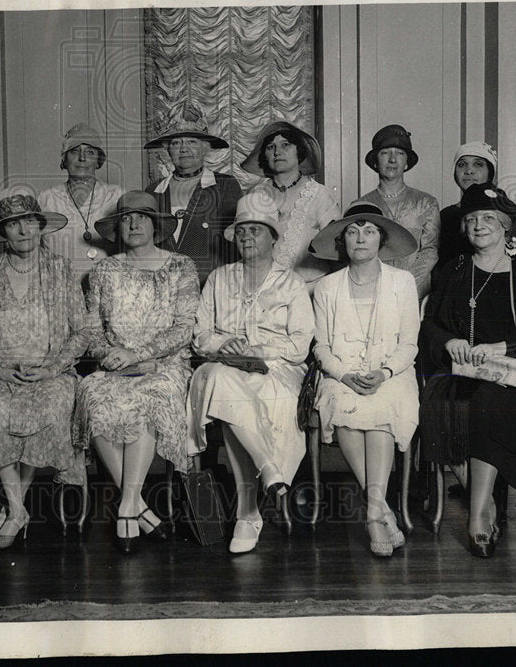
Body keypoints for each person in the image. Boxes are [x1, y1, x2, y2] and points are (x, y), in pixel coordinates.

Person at [420, 184, 516, 558]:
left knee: (488, 400)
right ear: (464, 228)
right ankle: (485, 501)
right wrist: (449, 342)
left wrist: (499, 348)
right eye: (471, 219)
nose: (479, 225)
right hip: (461, 372)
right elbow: (430, 325)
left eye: (488, 218)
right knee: (442, 401)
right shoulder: (454, 270)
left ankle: (480, 512)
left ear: (505, 226)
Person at [73, 191, 200, 553]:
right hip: (114, 364)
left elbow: (184, 327)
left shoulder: (181, 267)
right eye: (126, 219)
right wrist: (110, 354)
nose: (133, 224)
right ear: (117, 228)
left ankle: (128, 504)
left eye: (142, 218)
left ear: (156, 225)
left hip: (164, 364)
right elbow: (92, 330)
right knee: (93, 396)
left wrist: (139, 354)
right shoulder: (103, 270)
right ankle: (137, 505)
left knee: (147, 400)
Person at [187, 192, 313, 554]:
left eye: (256, 231)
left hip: (277, 370)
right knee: (224, 380)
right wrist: (222, 344)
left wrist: (261, 350)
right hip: (223, 367)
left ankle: (248, 512)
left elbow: (300, 345)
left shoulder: (291, 284)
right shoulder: (219, 278)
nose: (246, 237)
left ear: (273, 238)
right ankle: (267, 473)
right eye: (242, 231)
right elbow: (200, 335)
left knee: (233, 401)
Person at [0, 193, 89, 550]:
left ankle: (13, 506)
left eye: (29, 222)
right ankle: (18, 508)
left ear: (40, 226)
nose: (22, 230)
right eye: (13, 224)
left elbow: (82, 332)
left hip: (51, 372)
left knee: (48, 405)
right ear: (3, 232)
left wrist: (52, 367)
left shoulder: (60, 269)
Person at [309, 201, 421, 557]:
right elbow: (321, 346)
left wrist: (384, 372)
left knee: (383, 409)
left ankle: (374, 511)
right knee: (342, 405)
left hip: (392, 373)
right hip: (341, 374)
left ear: (382, 241)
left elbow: (409, 343)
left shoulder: (402, 282)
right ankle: (379, 511)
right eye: (352, 232)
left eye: (369, 230)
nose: (360, 238)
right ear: (342, 242)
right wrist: (343, 374)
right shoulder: (326, 287)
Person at [143, 104, 242, 285]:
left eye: (192, 142)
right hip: (163, 289)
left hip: (212, 287)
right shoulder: (153, 191)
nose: (183, 148)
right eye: (176, 143)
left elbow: (236, 244)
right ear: (167, 149)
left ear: (205, 148)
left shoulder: (225, 186)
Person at [240, 119, 341, 290]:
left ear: (299, 152)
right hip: (263, 294)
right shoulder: (256, 195)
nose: (277, 152)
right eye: (270, 147)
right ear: (265, 155)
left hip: (309, 291)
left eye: (285, 145)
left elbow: (338, 254)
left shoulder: (320, 195)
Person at [38, 123, 123, 288]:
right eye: (75, 151)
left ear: (99, 160)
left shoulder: (115, 196)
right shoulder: (46, 199)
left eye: (90, 152)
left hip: (108, 289)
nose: (82, 158)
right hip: (59, 290)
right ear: (64, 158)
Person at [359, 124, 439, 300]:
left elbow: (430, 251)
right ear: (375, 161)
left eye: (400, 153)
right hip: (372, 293)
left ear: (407, 162)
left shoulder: (426, 202)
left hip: (414, 295)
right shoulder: (361, 205)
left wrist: (405, 287)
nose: (393, 160)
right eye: (386, 153)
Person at [437, 142, 516, 267]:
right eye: (462, 165)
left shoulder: (506, 210)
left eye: (478, 164)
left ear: (490, 171)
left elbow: (513, 257)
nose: (469, 171)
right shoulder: (446, 215)